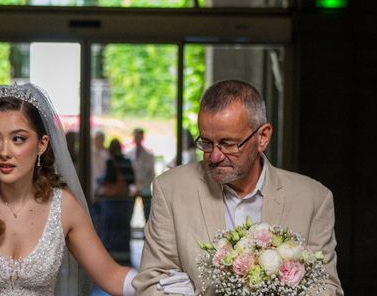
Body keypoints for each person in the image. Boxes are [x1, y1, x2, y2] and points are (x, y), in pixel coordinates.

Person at [0, 83, 137, 296]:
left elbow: (112, 276)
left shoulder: (63, 206)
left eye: (18, 139)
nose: (4, 152)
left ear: (42, 144)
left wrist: (161, 285)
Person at [133, 80, 343, 295]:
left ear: (262, 137)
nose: (214, 156)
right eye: (206, 142)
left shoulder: (313, 198)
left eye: (228, 143)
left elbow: (326, 287)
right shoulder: (171, 189)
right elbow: (151, 282)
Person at [98, 138, 136, 266]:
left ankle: (111, 259)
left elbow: (107, 180)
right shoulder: (127, 161)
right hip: (124, 200)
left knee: (110, 229)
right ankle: (124, 257)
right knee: (123, 228)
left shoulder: (109, 162)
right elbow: (132, 180)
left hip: (112, 201)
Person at [127, 127, 155, 221]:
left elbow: (151, 174)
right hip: (132, 188)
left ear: (142, 137)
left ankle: (147, 235)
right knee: (128, 213)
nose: (137, 139)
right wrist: (134, 187)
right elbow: (127, 174)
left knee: (147, 215)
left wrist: (141, 187)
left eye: (139, 136)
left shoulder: (149, 155)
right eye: (135, 137)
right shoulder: (128, 154)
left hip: (145, 187)